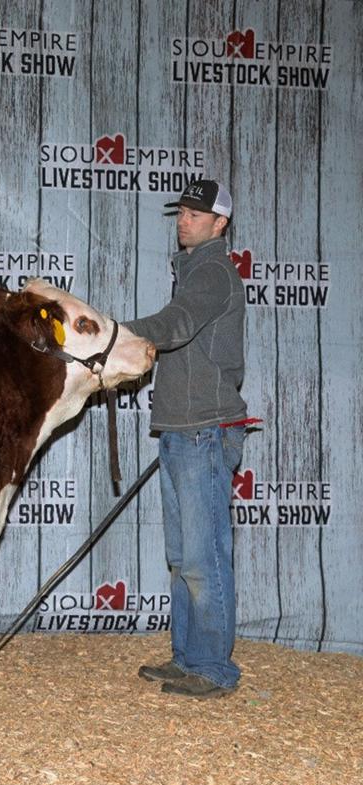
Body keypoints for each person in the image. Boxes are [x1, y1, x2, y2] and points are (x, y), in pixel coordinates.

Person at [123, 179, 249, 699]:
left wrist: (111, 334)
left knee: (203, 556)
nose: (185, 220)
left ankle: (214, 669)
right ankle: (189, 657)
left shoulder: (214, 272)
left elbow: (176, 326)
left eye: (197, 215)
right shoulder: (194, 271)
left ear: (220, 225)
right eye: (182, 212)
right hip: (182, 429)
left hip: (202, 429)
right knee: (182, 556)